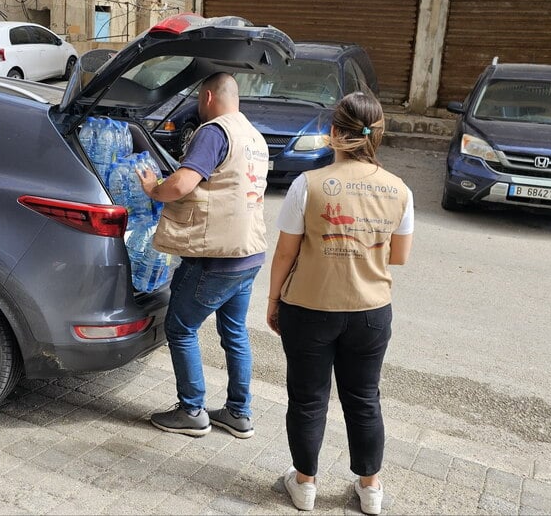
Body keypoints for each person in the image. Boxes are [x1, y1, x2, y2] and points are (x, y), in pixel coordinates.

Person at [266, 92, 414, 514]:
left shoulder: (307, 185)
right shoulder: (399, 189)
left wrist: (274, 300)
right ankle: (370, 490)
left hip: (309, 307)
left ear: (333, 133)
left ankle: (305, 485)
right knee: (364, 398)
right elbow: (399, 256)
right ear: (378, 134)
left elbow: (285, 254)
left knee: (308, 398)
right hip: (370, 310)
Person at [136, 72, 269, 439]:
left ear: (208, 97)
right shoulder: (254, 137)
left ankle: (192, 410)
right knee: (235, 333)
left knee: (180, 327)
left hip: (216, 256)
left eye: (198, 99)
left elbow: (181, 183)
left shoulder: (214, 132)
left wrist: (152, 188)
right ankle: (239, 413)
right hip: (249, 254)